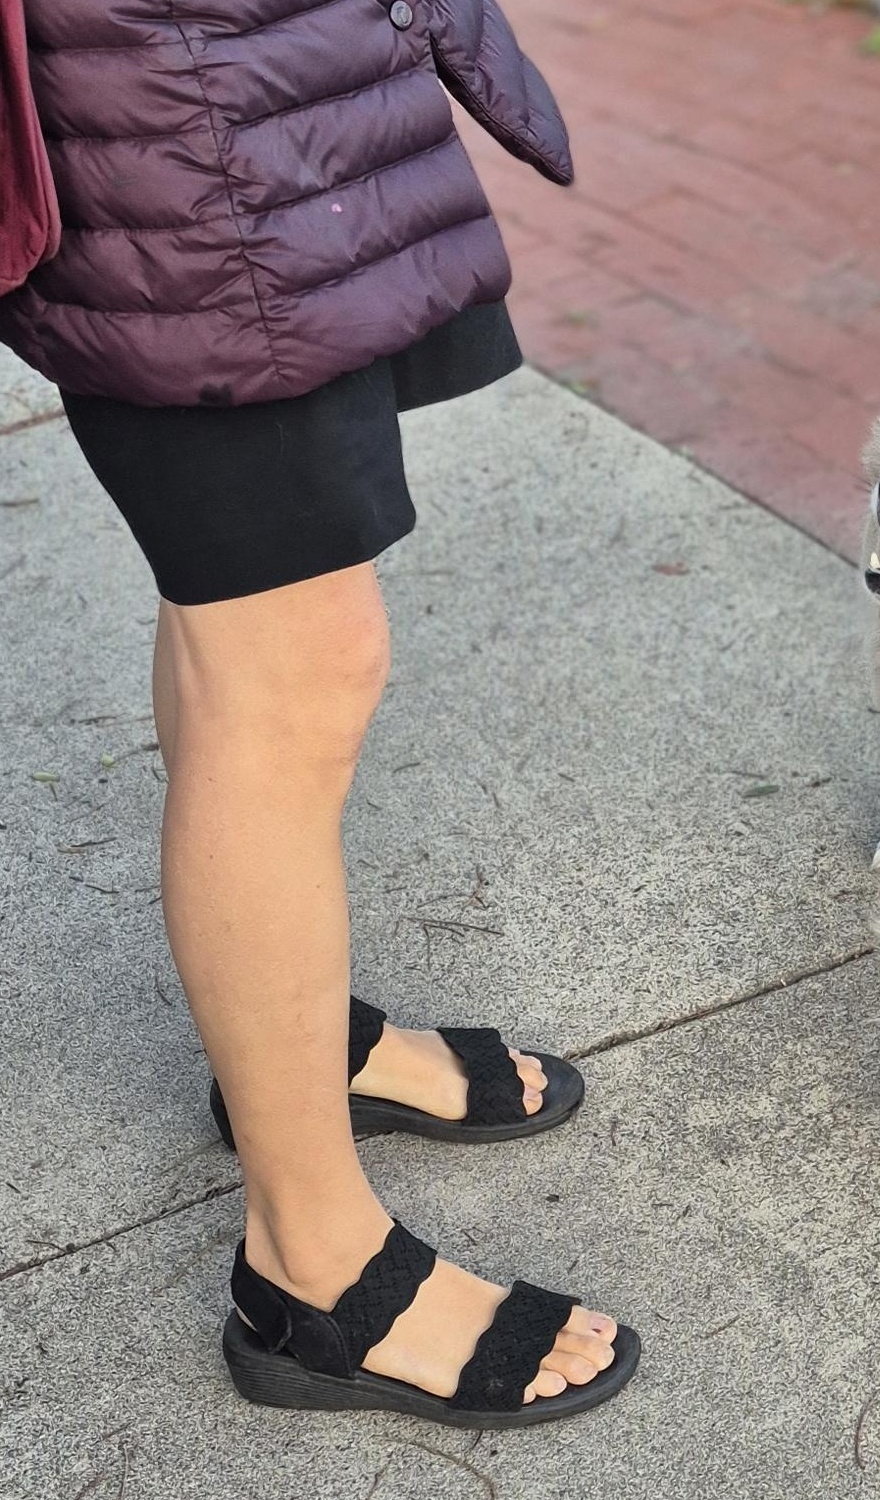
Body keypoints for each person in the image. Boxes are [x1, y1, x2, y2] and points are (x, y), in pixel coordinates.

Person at [0, 0, 640, 1428]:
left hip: (263, 76)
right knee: (298, 659)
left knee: (234, 610)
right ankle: (311, 1273)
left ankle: (283, 1055)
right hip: (168, 92)